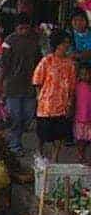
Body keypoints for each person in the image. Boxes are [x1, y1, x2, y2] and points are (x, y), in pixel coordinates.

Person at [0, 14, 41, 155]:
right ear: (16, 28)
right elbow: (4, 65)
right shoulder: (9, 42)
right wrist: (1, 84)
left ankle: (15, 139)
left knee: (28, 115)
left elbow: (39, 63)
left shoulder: (35, 41)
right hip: (12, 86)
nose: (23, 31)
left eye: (26, 28)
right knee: (15, 116)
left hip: (30, 86)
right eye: (21, 28)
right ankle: (15, 144)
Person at [33, 30, 78, 161]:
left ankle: (55, 158)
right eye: (64, 43)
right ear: (57, 44)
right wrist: (40, 98)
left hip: (62, 106)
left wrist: (70, 103)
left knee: (59, 134)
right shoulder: (46, 60)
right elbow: (37, 80)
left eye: (68, 43)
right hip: (46, 106)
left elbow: (72, 86)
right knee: (43, 134)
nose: (67, 46)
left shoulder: (70, 64)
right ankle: (39, 152)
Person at [70, 11, 91, 163]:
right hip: (76, 77)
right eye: (75, 20)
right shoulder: (70, 36)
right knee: (78, 110)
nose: (78, 23)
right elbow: (70, 55)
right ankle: (79, 147)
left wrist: (80, 56)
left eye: (80, 20)